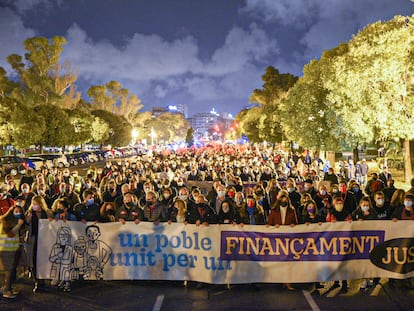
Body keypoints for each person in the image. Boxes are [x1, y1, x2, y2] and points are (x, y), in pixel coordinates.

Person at [267, 192, 297, 291]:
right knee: (278, 260)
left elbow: (296, 223)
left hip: (288, 240)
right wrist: (274, 227)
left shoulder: (292, 211)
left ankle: (287, 282)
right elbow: (269, 224)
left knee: (288, 261)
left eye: (286, 199)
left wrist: (293, 225)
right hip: (277, 239)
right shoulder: (274, 211)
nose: (284, 201)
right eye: (282, 199)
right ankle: (279, 280)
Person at [26, 195, 53, 292]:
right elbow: (26, 225)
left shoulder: (47, 212)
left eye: (36, 204)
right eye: (33, 204)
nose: (34, 206)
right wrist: (28, 220)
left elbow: (52, 225)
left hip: (44, 239)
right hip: (34, 239)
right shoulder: (30, 213)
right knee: (33, 260)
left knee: (43, 260)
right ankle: (36, 281)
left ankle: (42, 281)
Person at [351, 196, 379, 290]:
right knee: (361, 260)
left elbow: (377, 224)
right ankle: (363, 279)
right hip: (359, 240)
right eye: (364, 205)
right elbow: (350, 223)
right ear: (360, 205)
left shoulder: (373, 213)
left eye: (367, 205)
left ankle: (368, 278)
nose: (366, 206)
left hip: (370, 239)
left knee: (369, 260)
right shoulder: (356, 213)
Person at [0, 205, 26, 298]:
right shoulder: (6, 221)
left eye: (20, 211)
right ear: (11, 211)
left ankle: (7, 287)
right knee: (9, 271)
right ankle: (6, 291)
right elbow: (10, 234)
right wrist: (19, 225)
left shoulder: (13, 221)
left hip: (12, 249)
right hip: (6, 249)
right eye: (16, 211)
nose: (18, 213)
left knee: (11, 270)